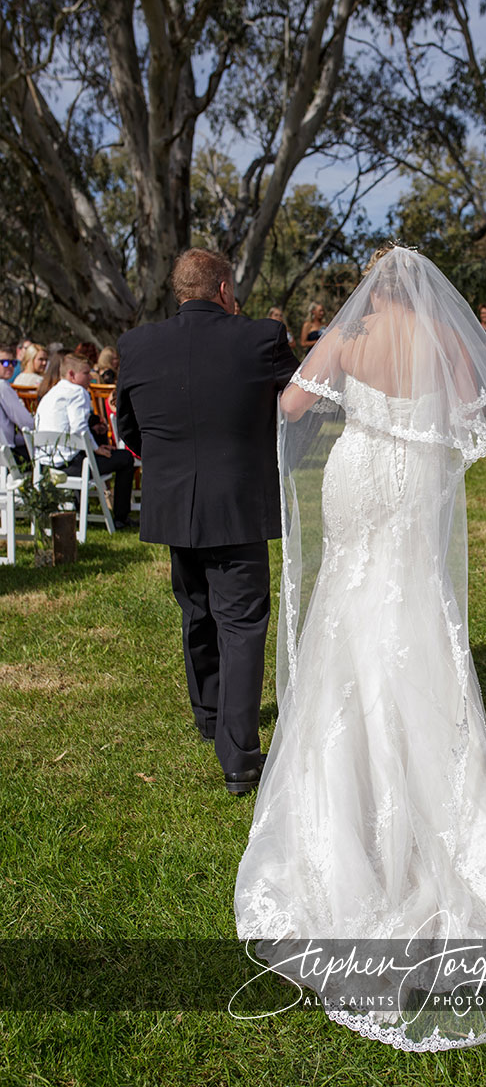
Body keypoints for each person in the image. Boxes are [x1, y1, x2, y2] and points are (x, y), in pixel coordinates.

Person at [234, 244, 486, 1051]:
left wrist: (348, 391)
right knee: (413, 611)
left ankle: (350, 816)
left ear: (372, 288)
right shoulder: (447, 341)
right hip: (412, 480)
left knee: (347, 609)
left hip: (357, 470)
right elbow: (480, 409)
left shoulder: (345, 340)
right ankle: (430, 803)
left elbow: (293, 412)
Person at [115, 248, 298, 794]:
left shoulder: (137, 344)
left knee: (196, 610)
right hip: (239, 504)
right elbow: (300, 404)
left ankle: (210, 717)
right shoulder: (262, 338)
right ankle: (239, 758)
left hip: (175, 506)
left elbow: (128, 427)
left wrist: (173, 470)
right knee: (241, 624)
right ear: (223, 290)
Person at [34, 352, 135, 526]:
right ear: (72, 374)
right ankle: (120, 517)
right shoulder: (78, 392)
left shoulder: (51, 393)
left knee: (94, 450)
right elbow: (79, 429)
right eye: (86, 373)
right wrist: (96, 448)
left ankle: (83, 509)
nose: (91, 378)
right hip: (69, 466)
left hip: (45, 466)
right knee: (126, 458)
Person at [0, 344, 34, 464]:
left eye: (13, 363)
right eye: (4, 363)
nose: (9, 366)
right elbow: (26, 423)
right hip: (6, 455)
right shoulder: (2, 386)